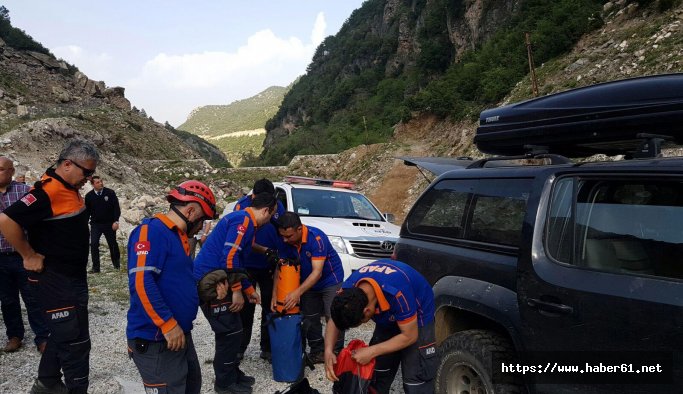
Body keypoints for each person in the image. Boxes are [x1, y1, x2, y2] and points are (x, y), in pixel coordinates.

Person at [0, 139, 99, 394]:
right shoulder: (47, 192)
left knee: (62, 333)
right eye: (86, 172)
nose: (88, 178)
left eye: (91, 173)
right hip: (58, 281)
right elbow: (6, 220)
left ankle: (47, 382)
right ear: (67, 164)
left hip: (72, 277)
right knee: (76, 342)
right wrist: (28, 254)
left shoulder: (68, 188)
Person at [126, 180, 219, 394]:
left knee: (191, 385)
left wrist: (206, 292)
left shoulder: (178, 238)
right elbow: (141, 281)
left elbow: (176, 282)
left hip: (179, 335)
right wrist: (167, 324)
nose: (202, 226)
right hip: (158, 338)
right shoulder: (151, 232)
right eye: (203, 219)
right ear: (191, 211)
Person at [194, 192, 277, 394]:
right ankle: (224, 383)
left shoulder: (245, 221)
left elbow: (238, 263)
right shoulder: (243, 221)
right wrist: (238, 292)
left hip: (220, 277)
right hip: (211, 282)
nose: (271, 219)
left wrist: (249, 290)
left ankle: (232, 372)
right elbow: (229, 258)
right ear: (266, 210)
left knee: (235, 329)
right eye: (272, 214)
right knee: (228, 331)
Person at [324, 259, 437, 394]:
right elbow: (334, 319)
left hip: (418, 315)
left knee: (416, 376)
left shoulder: (398, 293)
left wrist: (372, 351)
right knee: (379, 370)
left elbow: (410, 336)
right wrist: (328, 350)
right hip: (387, 309)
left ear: (366, 312)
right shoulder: (348, 289)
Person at [274, 211, 345, 364]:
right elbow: (280, 268)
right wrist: (275, 295)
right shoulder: (285, 240)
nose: (285, 240)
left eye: (289, 236)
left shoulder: (316, 238)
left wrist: (296, 293)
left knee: (333, 315)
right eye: (283, 236)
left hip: (329, 280)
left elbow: (317, 273)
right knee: (310, 317)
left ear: (299, 229)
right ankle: (317, 351)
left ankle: (337, 351)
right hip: (307, 281)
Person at [0, 157, 49, 354]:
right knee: (7, 299)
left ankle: (43, 337)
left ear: (11, 171)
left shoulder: (25, 192)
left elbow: (40, 222)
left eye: (1, 169)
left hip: (23, 256)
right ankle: (14, 335)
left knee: (33, 298)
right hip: (0, 258)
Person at [234, 178, 285, 362]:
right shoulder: (241, 208)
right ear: (253, 196)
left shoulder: (277, 206)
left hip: (268, 265)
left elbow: (284, 227)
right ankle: (239, 348)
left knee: (270, 307)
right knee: (245, 308)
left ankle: (268, 347)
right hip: (247, 264)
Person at [85, 175, 121, 273]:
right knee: (94, 244)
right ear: (92, 184)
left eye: (101, 181)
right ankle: (96, 268)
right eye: (98, 182)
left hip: (109, 223)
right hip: (96, 224)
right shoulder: (89, 196)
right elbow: (87, 212)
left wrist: (116, 221)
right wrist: (84, 224)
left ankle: (117, 266)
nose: (101, 183)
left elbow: (116, 208)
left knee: (112, 244)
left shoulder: (110, 193)